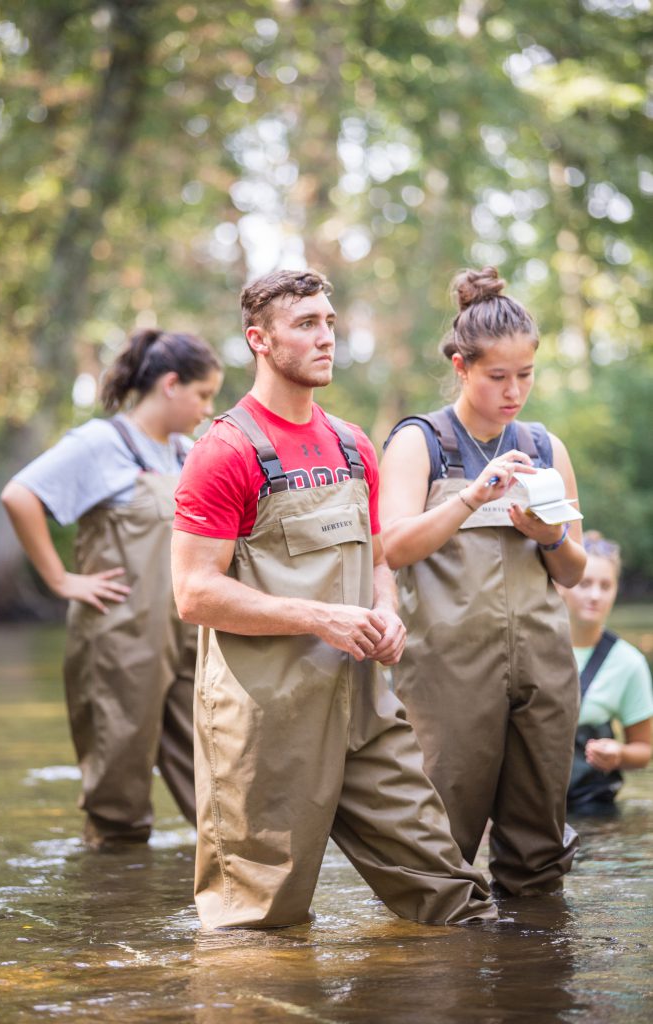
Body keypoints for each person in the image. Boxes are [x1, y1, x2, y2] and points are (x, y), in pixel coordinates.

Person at [171, 268, 497, 930]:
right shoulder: (223, 449)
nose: (326, 338)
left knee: (453, 900)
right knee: (256, 928)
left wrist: (387, 609)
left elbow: (375, 555)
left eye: (330, 323)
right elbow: (194, 592)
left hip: (365, 712)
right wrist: (318, 617)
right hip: (267, 725)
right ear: (258, 340)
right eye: (307, 325)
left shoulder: (350, 442)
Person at [380, 266, 587, 896]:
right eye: (498, 376)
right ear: (461, 365)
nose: (514, 391)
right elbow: (392, 546)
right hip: (446, 670)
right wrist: (471, 497)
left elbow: (574, 571)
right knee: (442, 841)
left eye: (525, 375)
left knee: (538, 850)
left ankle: (528, 984)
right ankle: (436, 981)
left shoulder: (545, 447)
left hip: (544, 666)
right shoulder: (421, 442)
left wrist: (548, 534)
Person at [1, 328, 223, 849]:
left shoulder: (187, 453)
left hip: (186, 639)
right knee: (118, 797)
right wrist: (60, 580)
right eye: (203, 395)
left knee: (218, 779)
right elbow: (19, 496)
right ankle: (109, 909)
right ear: (171, 384)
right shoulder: (101, 443)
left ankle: (230, 904)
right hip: (119, 642)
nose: (207, 409)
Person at [557, 531, 653, 814]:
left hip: (591, 806)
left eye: (605, 586)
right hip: (524, 807)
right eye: (584, 584)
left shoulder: (628, 663)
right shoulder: (528, 648)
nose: (595, 595)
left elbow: (643, 750)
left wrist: (619, 754)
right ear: (561, 584)